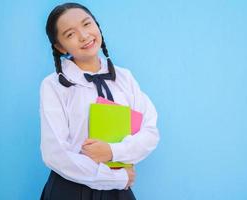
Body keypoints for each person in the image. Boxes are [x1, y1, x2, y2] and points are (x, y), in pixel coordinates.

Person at [40, 2, 159, 200]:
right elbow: (55, 153)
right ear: (60, 47)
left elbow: (150, 133)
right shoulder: (54, 85)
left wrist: (113, 151)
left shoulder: (124, 78)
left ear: (97, 25)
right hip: (70, 189)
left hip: (118, 191)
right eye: (70, 34)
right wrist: (115, 178)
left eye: (87, 24)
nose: (84, 36)